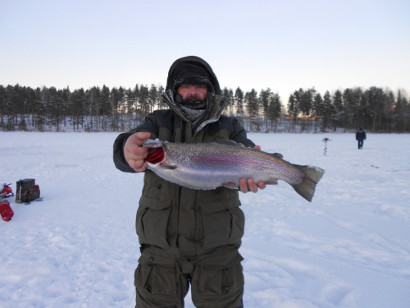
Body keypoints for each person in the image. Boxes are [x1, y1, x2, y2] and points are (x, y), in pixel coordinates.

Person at [113, 56, 266, 308]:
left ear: (210, 90)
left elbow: (246, 154)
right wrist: (126, 149)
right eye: (185, 86)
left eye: (199, 86)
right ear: (175, 90)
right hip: (160, 251)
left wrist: (249, 175)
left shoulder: (229, 126)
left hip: (217, 250)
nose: (192, 92)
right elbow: (130, 144)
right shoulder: (157, 122)